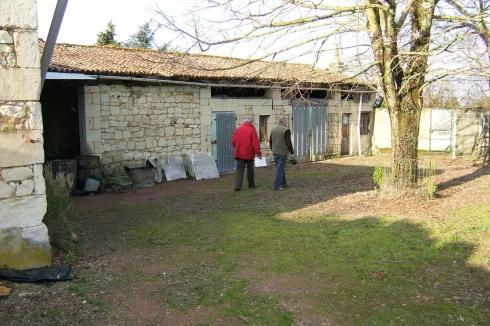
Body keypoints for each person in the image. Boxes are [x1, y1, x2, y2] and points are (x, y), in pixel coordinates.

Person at [231, 116, 262, 191]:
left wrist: (237, 147)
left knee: (239, 170)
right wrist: (259, 154)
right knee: (250, 169)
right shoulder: (252, 129)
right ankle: (251, 184)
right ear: (251, 121)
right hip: (249, 153)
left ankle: (237, 185)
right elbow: (255, 143)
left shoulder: (238, 129)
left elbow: (233, 141)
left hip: (239, 153)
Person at [269, 116, 295, 191]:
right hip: (282, 152)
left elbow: (270, 141)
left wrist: (272, 149)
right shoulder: (285, 130)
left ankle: (284, 183)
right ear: (284, 122)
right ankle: (277, 186)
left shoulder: (273, 129)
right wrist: (292, 152)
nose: (287, 122)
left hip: (275, 151)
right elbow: (288, 142)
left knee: (281, 167)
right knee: (280, 169)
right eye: (286, 121)